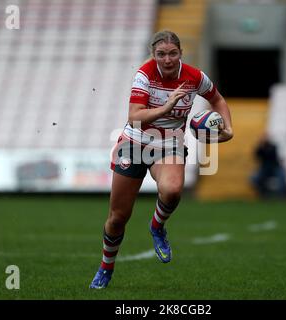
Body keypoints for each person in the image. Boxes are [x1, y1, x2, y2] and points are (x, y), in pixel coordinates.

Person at [89, 30, 234, 289]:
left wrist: (229, 128)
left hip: (169, 144)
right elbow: (135, 115)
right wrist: (166, 108)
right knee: (118, 217)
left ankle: (157, 227)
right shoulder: (144, 75)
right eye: (161, 54)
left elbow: (217, 99)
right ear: (153, 55)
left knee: (172, 190)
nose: (167, 59)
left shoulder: (194, 77)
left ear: (181, 53)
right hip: (135, 142)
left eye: (172, 53)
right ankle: (105, 268)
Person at [250, 133, 286, 197]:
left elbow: (271, 155)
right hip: (265, 168)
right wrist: (260, 147)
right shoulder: (260, 147)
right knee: (255, 179)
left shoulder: (273, 146)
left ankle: (281, 196)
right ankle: (262, 194)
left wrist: (262, 148)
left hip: (275, 167)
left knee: (282, 178)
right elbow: (256, 155)